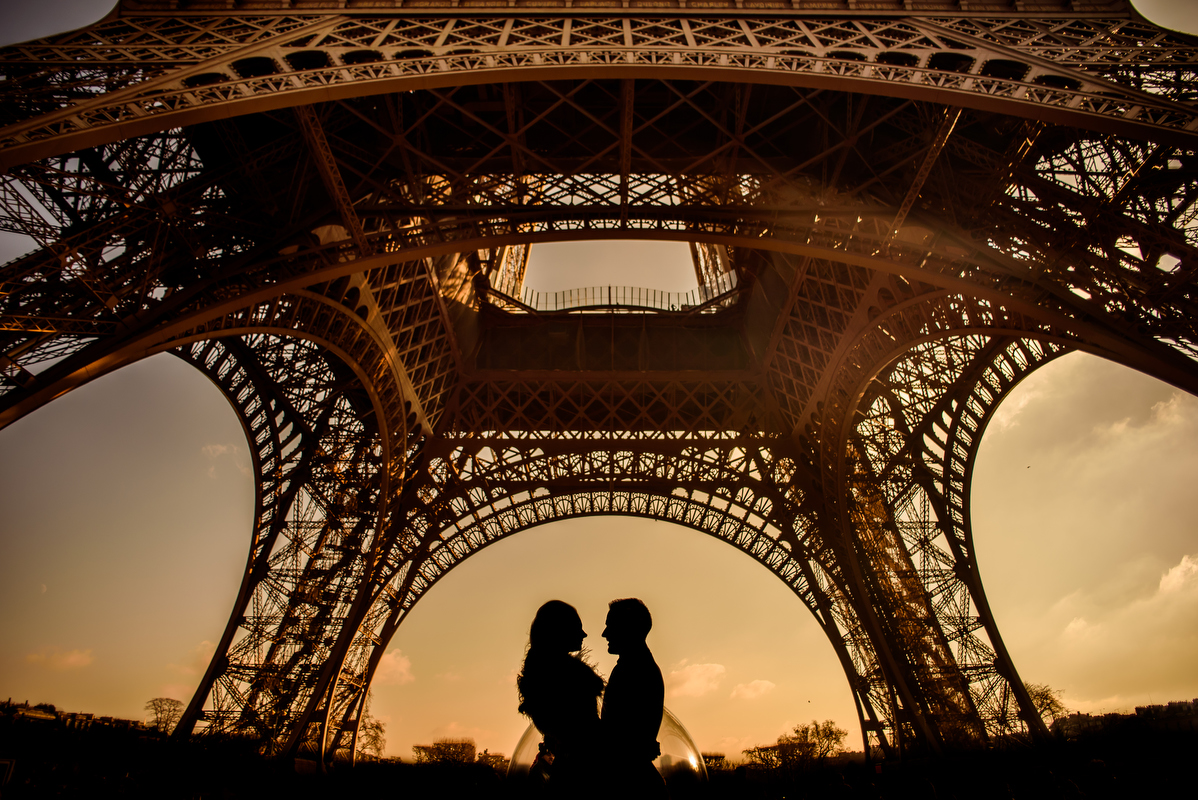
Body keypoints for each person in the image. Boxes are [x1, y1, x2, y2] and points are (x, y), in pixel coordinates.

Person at [516, 600, 604, 796]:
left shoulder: (543, 677)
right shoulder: (573, 679)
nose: (584, 634)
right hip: (584, 773)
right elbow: (586, 732)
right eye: (577, 628)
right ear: (560, 630)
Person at [601, 598, 667, 795]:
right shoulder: (640, 667)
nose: (604, 633)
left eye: (610, 626)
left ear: (628, 628)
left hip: (628, 783)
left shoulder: (631, 670)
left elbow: (617, 735)